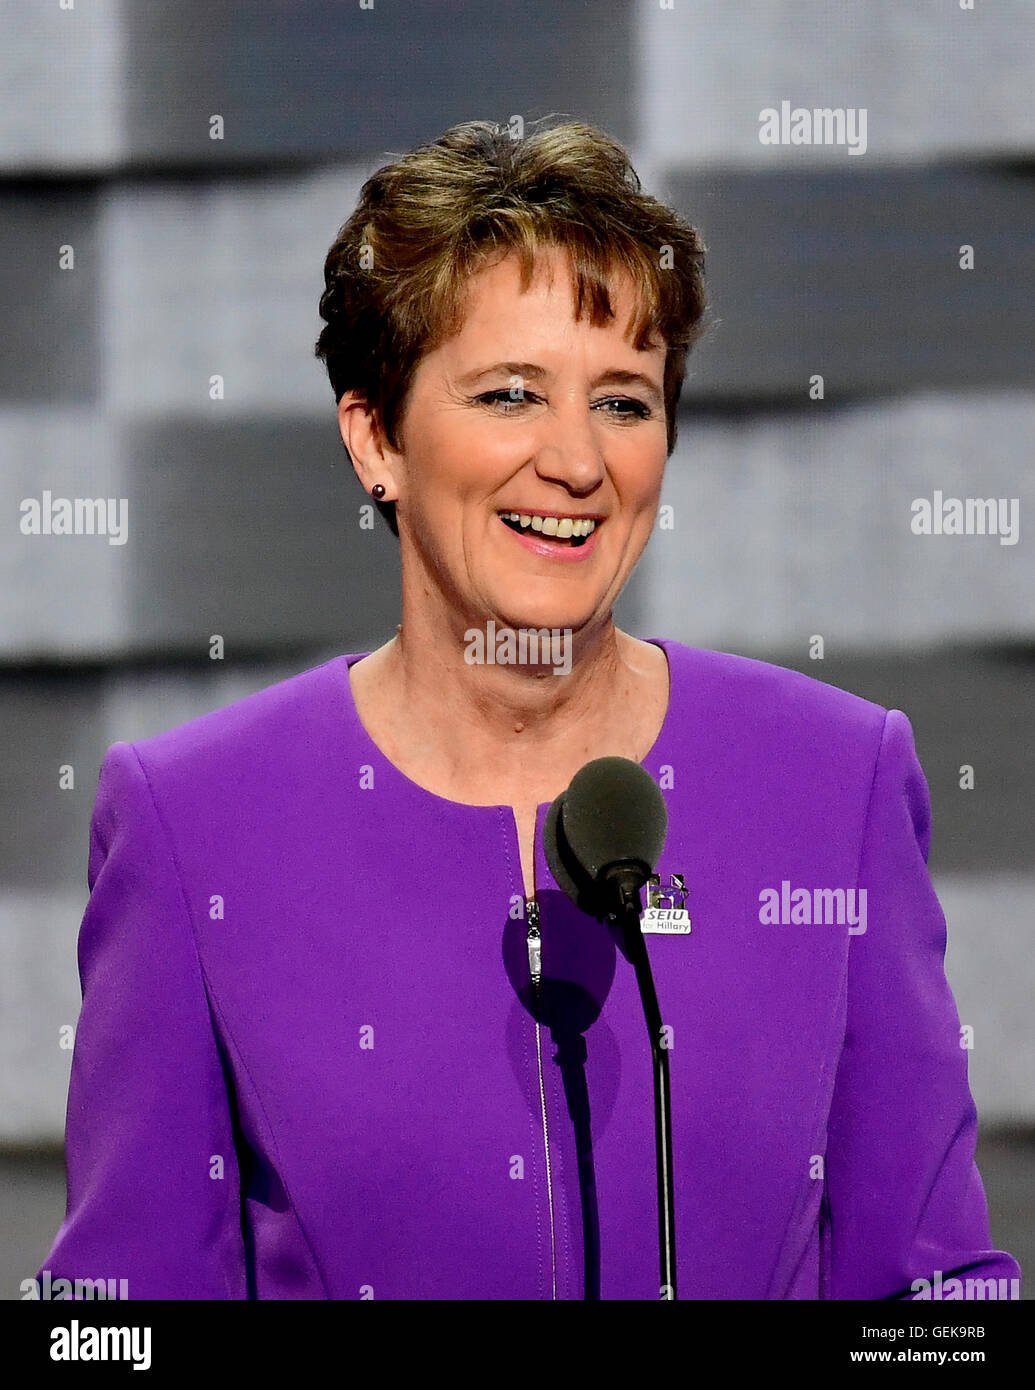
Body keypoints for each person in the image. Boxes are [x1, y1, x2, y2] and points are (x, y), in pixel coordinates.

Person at [37, 118, 1020, 1300]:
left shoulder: (835, 778)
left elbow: (935, 1296)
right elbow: (122, 1318)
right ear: (376, 439)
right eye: (510, 394)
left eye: (623, 402)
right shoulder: (193, 821)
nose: (575, 461)